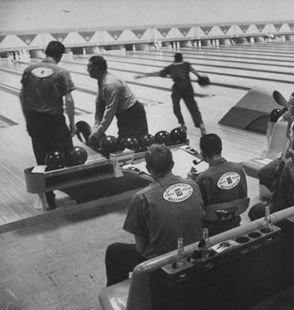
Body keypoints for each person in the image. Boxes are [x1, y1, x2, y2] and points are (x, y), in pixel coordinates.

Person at [105, 144, 204, 286]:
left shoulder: (141, 197)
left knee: (114, 251)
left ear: (147, 169)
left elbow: (141, 247)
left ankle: (118, 294)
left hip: (163, 263)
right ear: (172, 164)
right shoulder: (193, 185)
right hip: (193, 253)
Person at [19, 40, 76, 209]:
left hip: (35, 120)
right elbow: (69, 100)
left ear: (45, 51)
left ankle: (48, 199)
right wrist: (72, 123)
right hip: (55, 121)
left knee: (41, 160)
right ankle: (74, 191)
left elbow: (22, 96)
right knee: (69, 156)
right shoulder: (61, 71)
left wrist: (28, 119)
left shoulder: (28, 70)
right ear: (60, 55)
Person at [188, 134, 248, 236]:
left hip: (211, 228)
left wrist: (191, 182)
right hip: (235, 220)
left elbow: (197, 207)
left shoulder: (203, 178)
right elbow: (243, 195)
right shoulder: (239, 169)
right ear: (221, 148)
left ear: (202, 153)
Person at [135, 52, 206, 135]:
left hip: (177, 87)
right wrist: (199, 77)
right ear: (182, 58)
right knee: (193, 106)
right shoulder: (186, 64)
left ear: (174, 59)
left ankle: (182, 124)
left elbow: (157, 73)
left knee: (176, 106)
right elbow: (194, 72)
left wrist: (143, 75)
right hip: (188, 86)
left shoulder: (170, 67)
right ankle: (201, 124)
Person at [87, 55, 148, 146]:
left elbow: (110, 111)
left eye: (89, 67)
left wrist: (99, 131)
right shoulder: (101, 80)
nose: (87, 70)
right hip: (123, 114)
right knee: (125, 143)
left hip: (134, 114)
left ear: (97, 68)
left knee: (137, 143)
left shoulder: (110, 84)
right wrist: (96, 124)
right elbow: (99, 103)